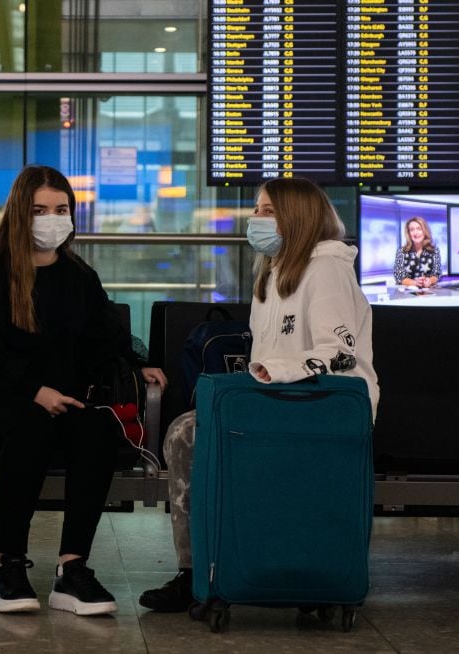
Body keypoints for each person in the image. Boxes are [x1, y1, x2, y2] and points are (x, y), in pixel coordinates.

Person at [0, 164, 167, 616]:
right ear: (20, 215)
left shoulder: (80, 278)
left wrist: (139, 366)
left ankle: (72, 568)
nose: (52, 218)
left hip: (63, 400)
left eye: (61, 209)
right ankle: (10, 563)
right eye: (40, 209)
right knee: (32, 426)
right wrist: (32, 390)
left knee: (98, 429)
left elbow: (104, 343)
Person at [138, 177, 379, 613]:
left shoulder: (327, 269)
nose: (256, 220)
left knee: (186, 435)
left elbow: (339, 355)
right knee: (190, 431)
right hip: (283, 405)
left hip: (323, 409)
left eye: (267, 212)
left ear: (297, 218)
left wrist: (272, 373)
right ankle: (205, 568)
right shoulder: (272, 272)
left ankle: (199, 572)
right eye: (256, 211)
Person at [393, 216, 441, 288]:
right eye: (412, 230)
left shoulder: (434, 251)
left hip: (429, 293)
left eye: (419, 229)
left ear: (425, 231)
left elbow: (436, 274)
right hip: (407, 294)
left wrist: (430, 281)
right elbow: (399, 276)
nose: (416, 233)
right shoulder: (401, 252)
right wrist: (415, 283)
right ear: (408, 233)